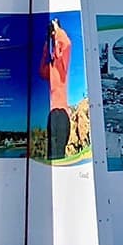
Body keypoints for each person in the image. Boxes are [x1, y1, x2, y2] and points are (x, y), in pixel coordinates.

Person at [39, 17, 73, 161]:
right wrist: (47, 42)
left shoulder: (62, 66)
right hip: (53, 115)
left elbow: (66, 44)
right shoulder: (51, 68)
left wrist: (57, 29)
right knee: (52, 157)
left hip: (61, 114)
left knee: (58, 157)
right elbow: (41, 71)